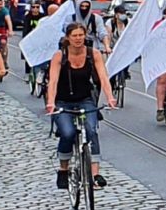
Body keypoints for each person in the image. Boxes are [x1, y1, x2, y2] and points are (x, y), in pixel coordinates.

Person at [45, 23, 118, 189]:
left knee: (91, 130)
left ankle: (95, 174)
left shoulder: (93, 54)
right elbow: (53, 81)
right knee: (68, 132)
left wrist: (110, 97)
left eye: (81, 35)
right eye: (74, 35)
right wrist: (50, 102)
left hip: (85, 99)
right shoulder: (59, 56)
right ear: (68, 38)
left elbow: (103, 77)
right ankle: (63, 169)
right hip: (63, 101)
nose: (78, 39)